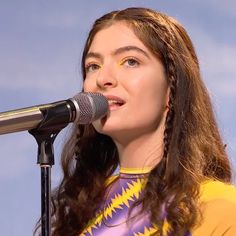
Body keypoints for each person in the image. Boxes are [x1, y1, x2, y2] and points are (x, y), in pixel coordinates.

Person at [44, 7, 236, 236]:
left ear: (172, 88)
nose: (102, 79)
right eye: (93, 66)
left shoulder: (219, 208)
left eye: (130, 61)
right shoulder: (82, 206)